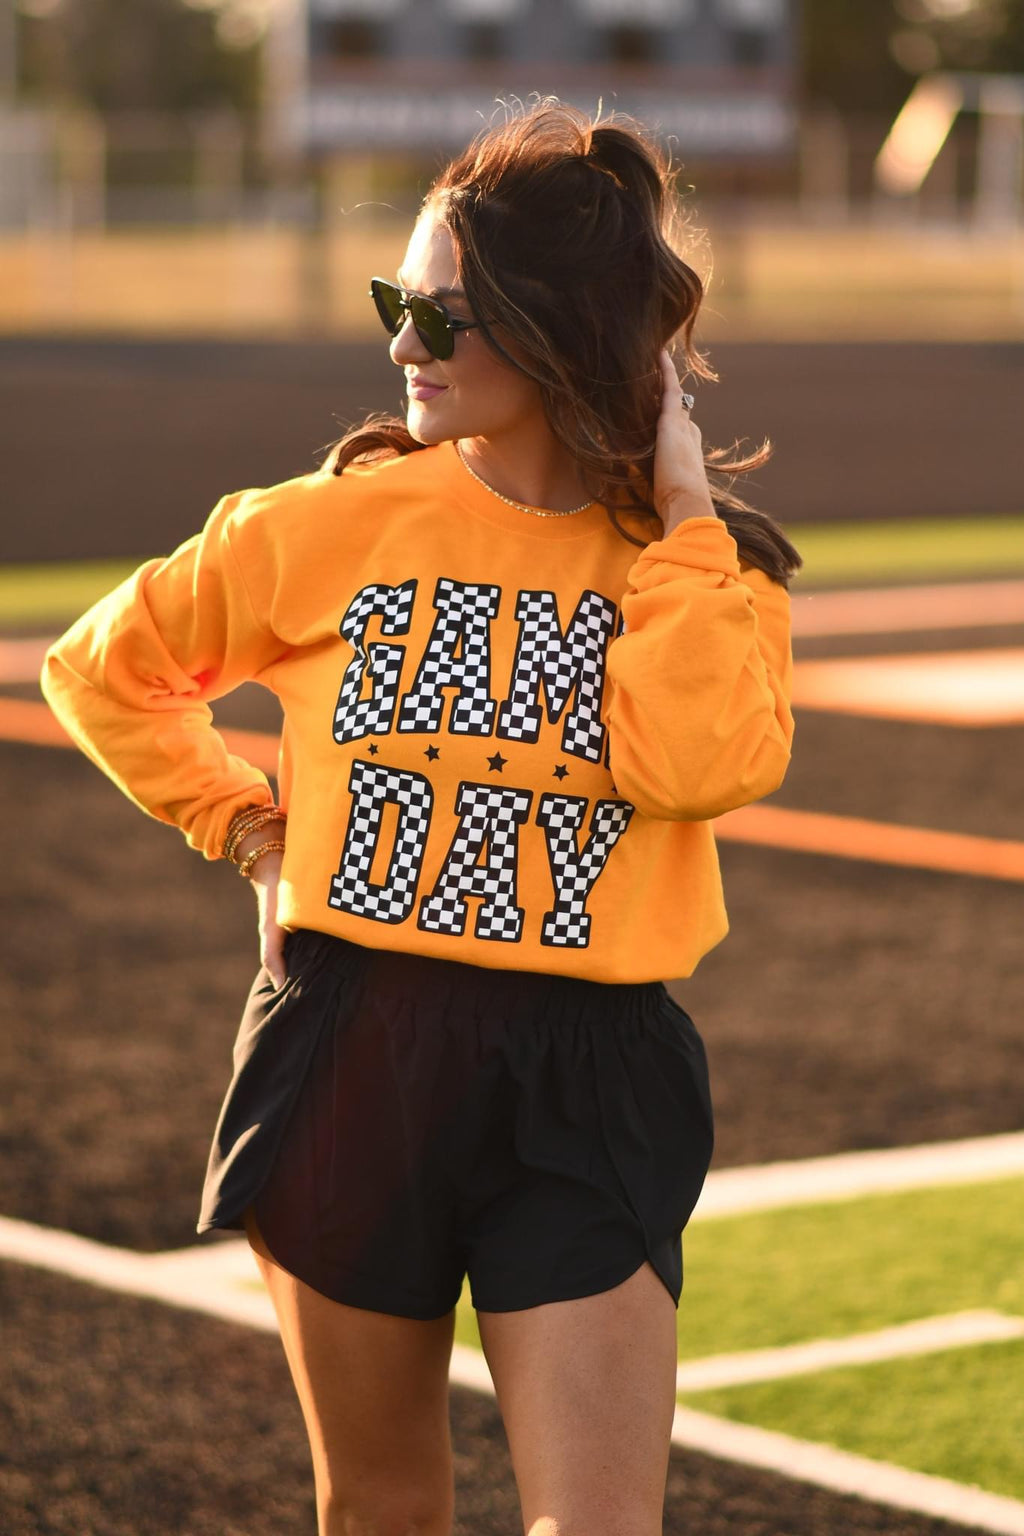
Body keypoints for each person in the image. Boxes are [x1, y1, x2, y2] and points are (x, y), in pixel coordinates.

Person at [40, 98, 800, 1536]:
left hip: (594, 1070)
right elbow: (104, 668)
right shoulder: (325, 527)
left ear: (559, 327)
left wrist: (687, 515)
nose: (404, 346)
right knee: (384, 1506)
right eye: (399, 304)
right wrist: (249, 829)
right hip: (355, 1047)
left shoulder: (701, 570)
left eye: (446, 314)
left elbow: (696, 763)